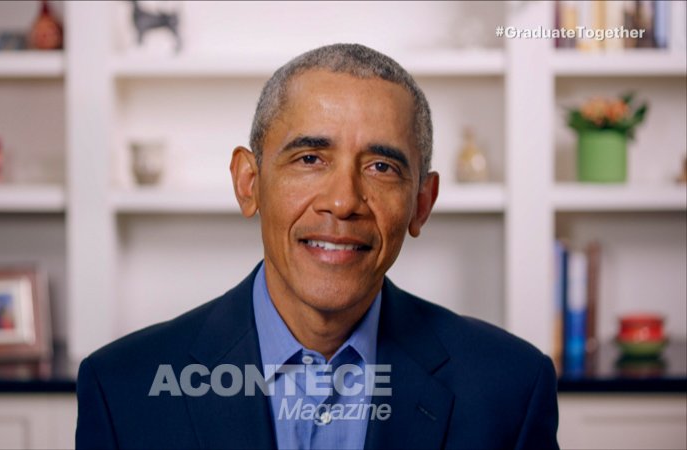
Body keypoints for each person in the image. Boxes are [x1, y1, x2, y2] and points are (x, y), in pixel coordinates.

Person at [76, 43, 559, 450]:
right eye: (310, 158)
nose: (344, 201)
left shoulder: (511, 389)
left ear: (421, 204)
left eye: (381, 167)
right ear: (249, 183)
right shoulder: (123, 389)